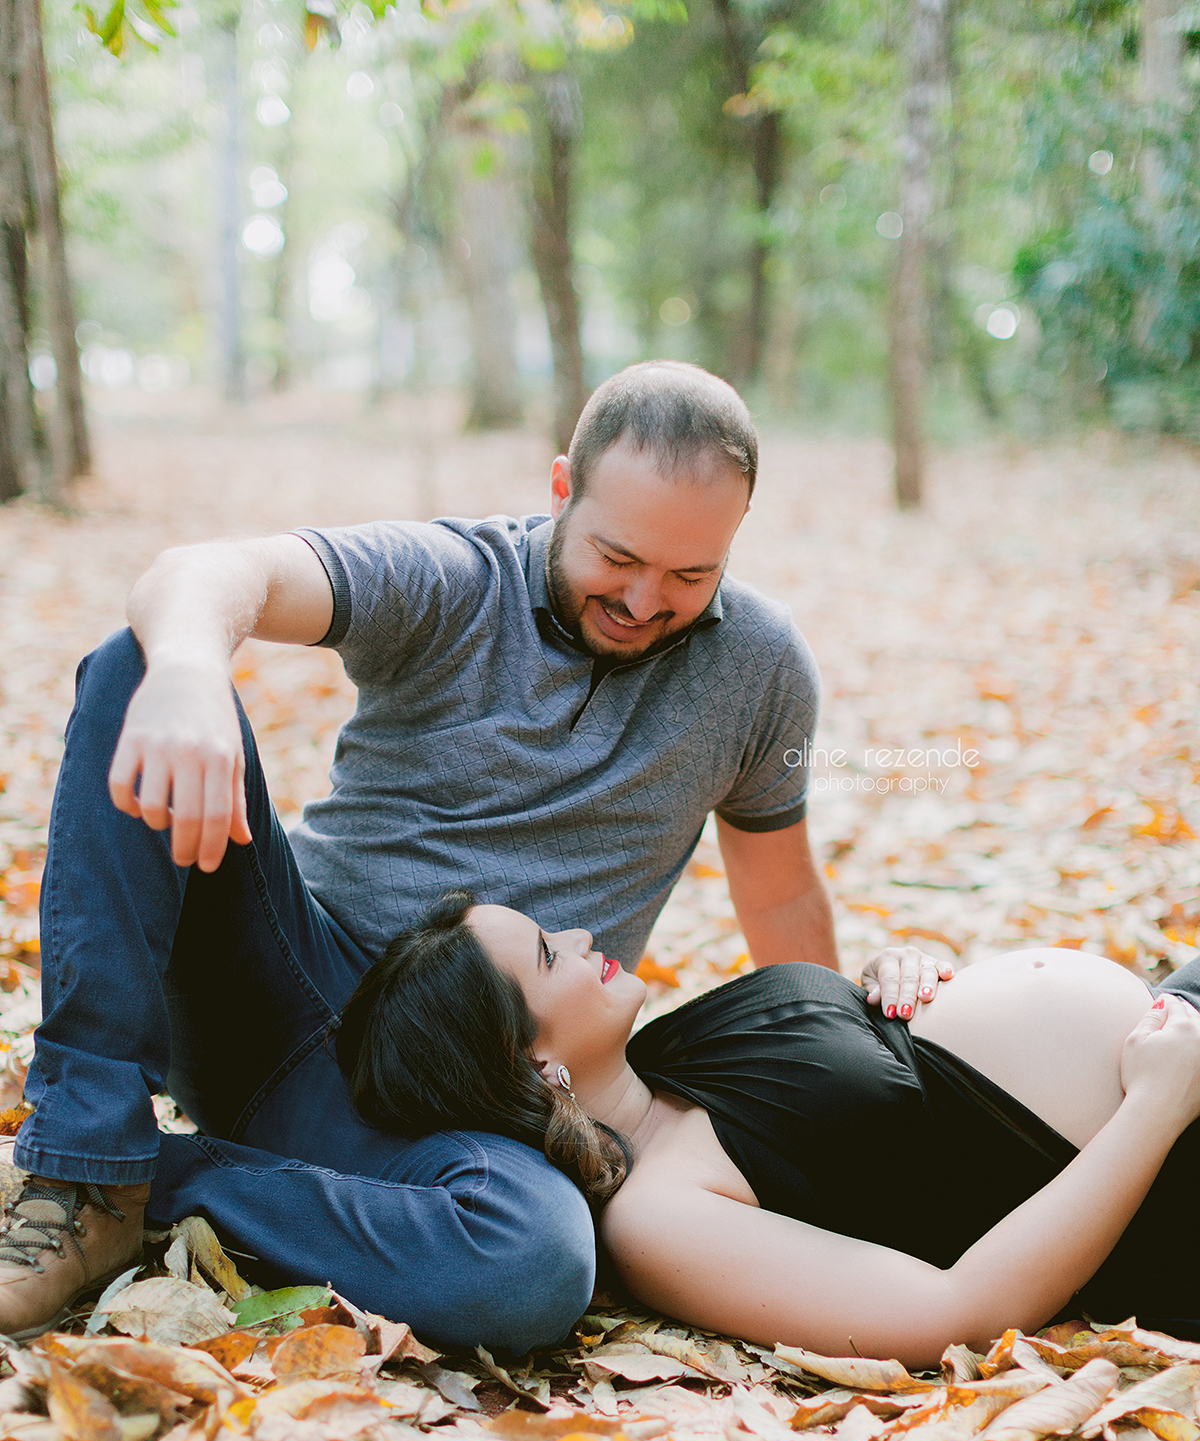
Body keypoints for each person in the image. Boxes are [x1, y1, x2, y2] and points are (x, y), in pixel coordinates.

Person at [3, 361, 905, 1348]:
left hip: (483, 1086)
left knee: (538, 1261)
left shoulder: (763, 670)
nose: (645, 600)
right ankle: (83, 1169)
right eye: (617, 556)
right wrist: (185, 671)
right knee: (138, 661)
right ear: (561, 489)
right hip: (283, 989)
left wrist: (848, 1068)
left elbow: (780, 898)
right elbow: (208, 572)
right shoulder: (454, 579)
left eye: (691, 575)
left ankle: (162, 1181)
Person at [336, 891, 1200, 1369]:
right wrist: (1158, 1107)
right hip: (1173, 1171)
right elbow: (958, 1314)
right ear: (530, 1061)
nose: (581, 932)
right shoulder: (656, 1220)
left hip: (1172, 1034)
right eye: (548, 953)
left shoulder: (665, 1052)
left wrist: (894, 988)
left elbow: (883, 1091)